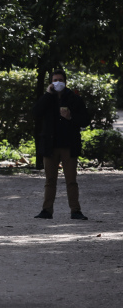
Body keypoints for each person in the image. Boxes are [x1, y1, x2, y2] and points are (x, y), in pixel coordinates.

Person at [33, 69, 90, 220]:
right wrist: (47, 94)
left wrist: (70, 116)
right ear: (51, 82)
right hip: (50, 145)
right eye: (55, 80)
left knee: (71, 180)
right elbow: (36, 113)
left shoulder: (74, 99)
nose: (57, 82)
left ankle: (75, 210)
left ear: (65, 81)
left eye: (60, 80)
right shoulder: (48, 99)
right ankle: (46, 210)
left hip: (68, 145)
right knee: (50, 180)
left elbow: (85, 120)